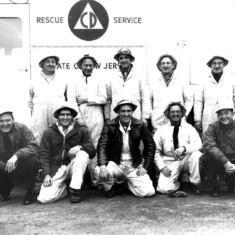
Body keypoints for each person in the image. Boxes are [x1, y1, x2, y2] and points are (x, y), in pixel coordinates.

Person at [37, 103, 96, 204]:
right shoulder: (49, 132)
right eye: (62, 114)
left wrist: (80, 147)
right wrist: (46, 174)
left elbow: (92, 151)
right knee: (44, 198)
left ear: (73, 116)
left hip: (73, 167)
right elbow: (44, 154)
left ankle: (75, 190)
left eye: (68, 114)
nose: (65, 117)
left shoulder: (81, 129)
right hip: (56, 169)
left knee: (82, 154)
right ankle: (64, 189)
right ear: (57, 116)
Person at [96, 100, 156, 198]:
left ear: (132, 112)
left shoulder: (140, 125)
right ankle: (110, 187)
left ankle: (127, 184)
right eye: (123, 111)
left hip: (134, 165)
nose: (126, 114)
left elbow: (150, 145)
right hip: (116, 164)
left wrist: (145, 166)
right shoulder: (110, 125)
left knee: (148, 192)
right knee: (99, 170)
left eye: (129, 111)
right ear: (118, 112)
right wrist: (103, 166)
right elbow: (102, 146)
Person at [68, 54, 106, 191]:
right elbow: (71, 100)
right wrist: (77, 117)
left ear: (94, 66)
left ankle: (95, 180)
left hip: (96, 115)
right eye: (86, 65)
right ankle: (81, 179)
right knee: (80, 146)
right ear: (80, 66)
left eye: (91, 65)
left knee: (95, 145)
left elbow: (103, 98)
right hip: (79, 117)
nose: (88, 67)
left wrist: (85, 99)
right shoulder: (73, 81)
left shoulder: (99, 80)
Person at [153, 102, 202, 195]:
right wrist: (162, 167)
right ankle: (179, 182)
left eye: (178, 112)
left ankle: (195, 183)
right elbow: (155, 151)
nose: (175, 114)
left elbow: (199, 144)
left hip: (185, 159)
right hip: (169, 161)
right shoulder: (161, 130)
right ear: (168, 114)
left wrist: (184, 148)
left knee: (197, 155)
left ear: (182, 113)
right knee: (163, 189)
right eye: (172, 112)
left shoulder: (189, 128)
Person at [0, 108, 39, 205]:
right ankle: (4, 191)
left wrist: (16, 156)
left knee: (33, 160)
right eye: (1, 121)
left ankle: (29, 192)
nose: (5, 124)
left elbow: (33, 146)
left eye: (8, 120)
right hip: (3, 166)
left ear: (13, 120)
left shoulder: (22, 128)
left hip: (21, 164)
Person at [104, 48, 151, 125]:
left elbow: (145, 97)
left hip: (135, 115)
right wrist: (107, 117)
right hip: (116, 116)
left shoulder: (139, 76)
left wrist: (145, 117)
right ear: (118, 61)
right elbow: (108, 99)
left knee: (134, 136)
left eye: (126, 58)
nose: (123, 60)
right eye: (121, 58)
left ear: (131, 59)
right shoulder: (111, 77)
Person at [150, 54, 193, 134]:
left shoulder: (181, 81)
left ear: (173, 65)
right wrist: (152, 114)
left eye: (168, 63)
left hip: (177, 119)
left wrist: (184, 114)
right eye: (163, 63)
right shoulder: (153, 82)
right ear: (159, 66)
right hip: (158, 120)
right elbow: (148, 100)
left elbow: (189, 100)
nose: (165, 65)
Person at [28, 55, 68, 144]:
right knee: (38, 138)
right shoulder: (34, 80)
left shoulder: (63, 80)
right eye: (48, 62)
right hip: (39, 115)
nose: (51, 64)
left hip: (57, 115)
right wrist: (38, 110)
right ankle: (39, 157)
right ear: (42, 65)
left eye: (53, 62)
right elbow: (29, 100)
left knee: (58, 137)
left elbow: (67, 99)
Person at [194, 55, 235, 134]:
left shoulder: (231, 79)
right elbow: (198, 101)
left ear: (224, 65)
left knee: (227, 141)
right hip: (209, 116)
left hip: (227, 117)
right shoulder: (203, 80)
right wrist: (197, 119)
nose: (217, 66)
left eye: (219, 63)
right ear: (210, 65)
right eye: (214, 63)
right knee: (209, 139)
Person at [202, 100, 235, 197]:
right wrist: (225, 162)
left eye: (226, 113)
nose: (223, 116)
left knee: (232, 187)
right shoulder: (213, 127)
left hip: (234, 161)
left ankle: (231, 184)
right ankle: (215, 187)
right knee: (205, 158)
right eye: (220, 114)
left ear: (232, 113)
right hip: (220, 161)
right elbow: (209, 145)